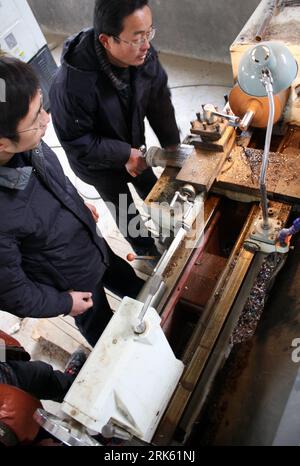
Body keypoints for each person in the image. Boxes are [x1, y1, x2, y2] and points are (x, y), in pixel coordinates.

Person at [0, 56, 144, 347]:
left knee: (130, 283)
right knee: (105, 332)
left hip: (91, 243)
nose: (47, 119)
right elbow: (12, 292)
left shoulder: (31, 145)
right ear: (2, 143)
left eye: (42, 106)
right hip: (72, 282)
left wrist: (75, 204)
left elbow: (56, 182)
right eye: (35, 119)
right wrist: (64, 303)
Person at [49, 0, 180, 255]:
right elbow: (77, 141)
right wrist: (124, 154)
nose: (147, 45)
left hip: (133, 146)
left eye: (149, 32)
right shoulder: (71, 86)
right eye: (137, 38)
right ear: (107, 40)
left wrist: (172, 147)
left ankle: (174, 237)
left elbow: (159, 102)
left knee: (156, 193)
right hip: (100, 165)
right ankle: (148, 254)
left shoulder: (144, 55)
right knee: (126, 212)